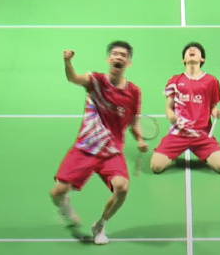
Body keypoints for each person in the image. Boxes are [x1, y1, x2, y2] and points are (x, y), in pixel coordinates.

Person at [50, 42, 148, 245]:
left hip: (111, 152)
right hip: (86, 148)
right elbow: (73, 78)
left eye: (123, 55)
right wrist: (67, 62)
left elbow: (135, 123)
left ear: (128, 62)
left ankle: (101, 225)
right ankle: (65, 207)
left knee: (122, 188)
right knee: (57, 193)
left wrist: (139, 139)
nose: (119, 57)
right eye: (115, 54)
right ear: (109, 59)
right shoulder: (95, 81)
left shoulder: (134, 92)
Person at [150, 42, 220, 174]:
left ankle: (201, 151)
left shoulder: (211, 81)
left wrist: (216, 113)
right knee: (156, 167)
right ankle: (174, 151)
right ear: (184, 60)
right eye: (188, 50)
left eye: (196, 50)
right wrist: (171, 116)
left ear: (202, 59)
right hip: (178, 134)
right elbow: (168, 108)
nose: (191, 49)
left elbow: (213, 107)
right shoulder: (175, 80)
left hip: (202, 135)